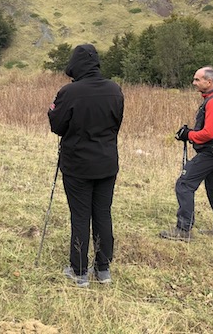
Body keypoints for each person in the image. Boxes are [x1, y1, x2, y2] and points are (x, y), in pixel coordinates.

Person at [48, 44, 124, 287]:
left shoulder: (69, 92)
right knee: (102, 212)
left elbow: (57, 127)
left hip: (78, 164)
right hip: (107, 162)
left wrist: (53, 111)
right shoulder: (115, 90)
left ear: (75, 65)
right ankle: (103, 270)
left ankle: (79, 271)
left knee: (80, 215)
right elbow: (116, 123)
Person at [160, 65, 213, 241]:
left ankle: (184, 229)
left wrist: (189, 135)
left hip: (211, 152)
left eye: (197, 79)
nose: (194, 83)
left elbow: (209, 133)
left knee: (184, 184)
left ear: (209, 81)